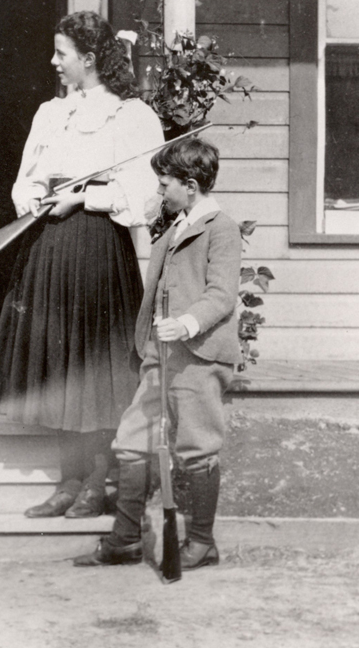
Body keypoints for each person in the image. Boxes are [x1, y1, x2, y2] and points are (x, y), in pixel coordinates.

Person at [0, 11, 164, 519]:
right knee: (61, 364)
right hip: (48, 249)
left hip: (98, 252)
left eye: (61, 53)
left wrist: (85, 199)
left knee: (96, 367)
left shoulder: (131, 117)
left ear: (88, 59)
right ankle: (67, 481)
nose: (53, 61)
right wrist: (36, 195)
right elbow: (24, 178)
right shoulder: (50, 114)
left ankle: (97, 482)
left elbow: (143, 193)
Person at [72, 137, 242, 569]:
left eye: (164, 184)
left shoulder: (221, 229)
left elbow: (221, 295)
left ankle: (202, 543)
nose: (159, 192)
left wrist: (186, 323)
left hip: (198, 358)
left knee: (196, 448)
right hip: (159, 357)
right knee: (130, 443)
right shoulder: (173, 228)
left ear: (189, 184)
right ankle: (127, 540)